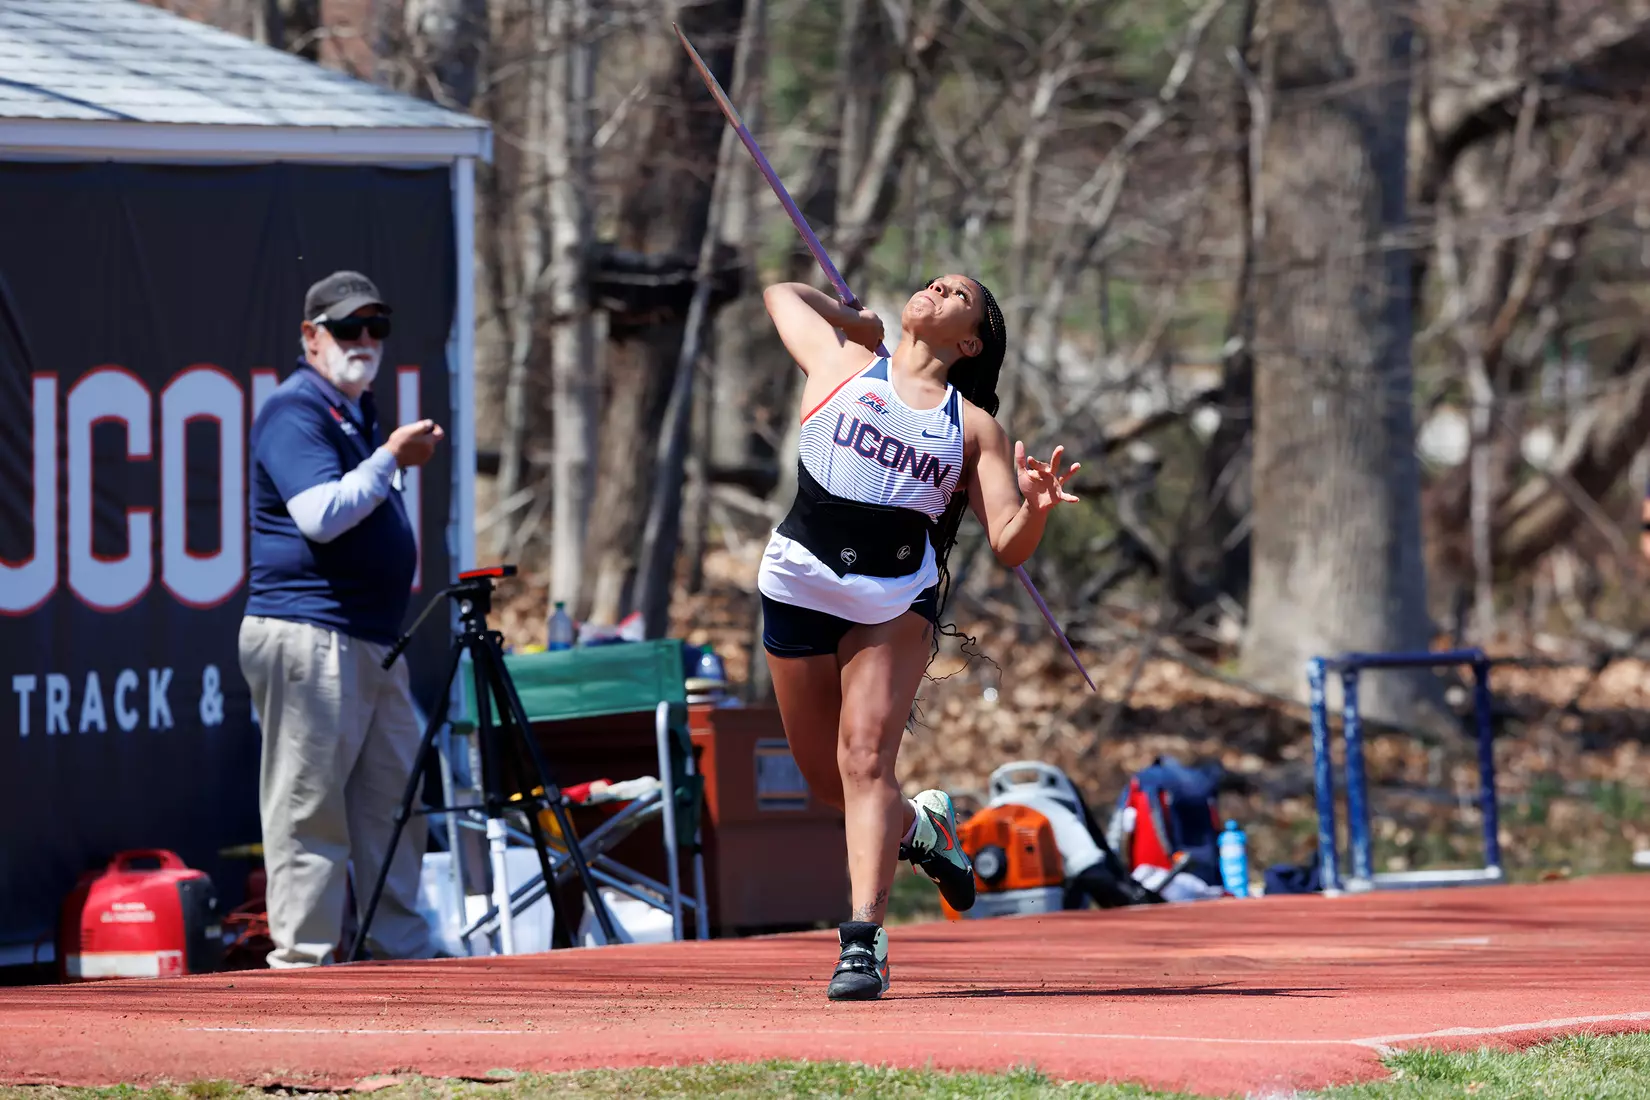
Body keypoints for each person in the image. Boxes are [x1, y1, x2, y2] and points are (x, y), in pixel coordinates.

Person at [757, 274, 1081, 1000]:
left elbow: (1008, 542)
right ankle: (925, 829)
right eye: (933, 282)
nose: (936, 289)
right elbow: (780, 292)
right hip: (798, 583)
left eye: (956, 294)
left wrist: (1035, 508)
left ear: (969, 342)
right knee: (827, 782)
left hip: (893, 602)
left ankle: (862, 944)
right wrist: (852, 320)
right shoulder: (841, 362)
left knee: (864, 760)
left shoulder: (974, 428)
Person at [239, 270, 446, 968]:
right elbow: (319, 518)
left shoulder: (356, 410)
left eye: (375, 327)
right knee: (308, 809)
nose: (364, 341)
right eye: (347, 327)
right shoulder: (294, 410)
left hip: (371, 640)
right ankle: (304, 964)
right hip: (307, 635)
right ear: (311, 337)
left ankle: (402, 954)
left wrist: (383, 454)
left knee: (394, 806)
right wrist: (391, 459)